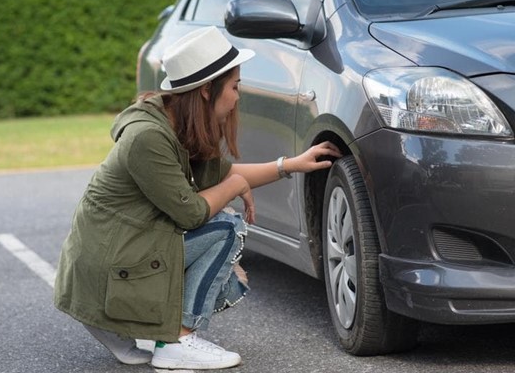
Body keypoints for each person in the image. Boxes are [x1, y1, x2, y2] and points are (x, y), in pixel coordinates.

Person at [54, 26, 342, 370]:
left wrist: (291, 165)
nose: (238, 97)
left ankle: (119, 323)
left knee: (226, 257)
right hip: (110, 266)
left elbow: (224, 175)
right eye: (234, 86)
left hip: (121, 252)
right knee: (226, 228)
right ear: (207, 90)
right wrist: (235, 193)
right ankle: (178, 340)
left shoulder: (173, 122)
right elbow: (192, 213)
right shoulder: (147, 139)